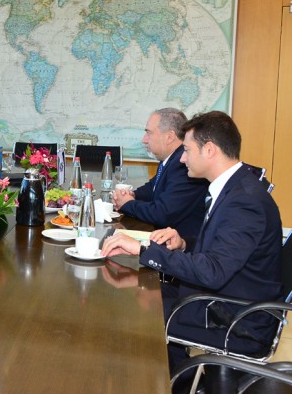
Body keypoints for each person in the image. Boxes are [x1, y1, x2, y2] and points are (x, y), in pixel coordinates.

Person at [101, 111, 283, 376]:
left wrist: (142, 249)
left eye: (186, 150)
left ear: (209, 150)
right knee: (138, 292)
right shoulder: (235, 186)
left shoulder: (245, 201)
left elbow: (213, 270)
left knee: (137, 311)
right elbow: (224, 248)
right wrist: (185, 243)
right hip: (223, 300)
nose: (182, 158)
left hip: (235, 319)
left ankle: (168, 380)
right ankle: (179, 378)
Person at [111, 108, 209, 237]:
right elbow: (153, 188)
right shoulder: (170, 159)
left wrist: (128, 204)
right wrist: (130, 194)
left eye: (149, 133)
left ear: (169, 137)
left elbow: (162, 214)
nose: (144, 140)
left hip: (180, 243)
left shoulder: (184, 165)